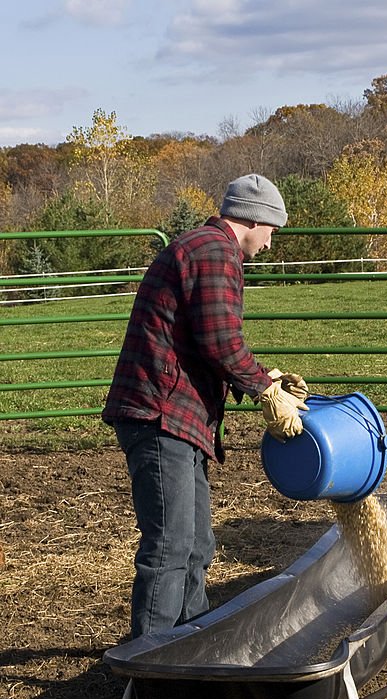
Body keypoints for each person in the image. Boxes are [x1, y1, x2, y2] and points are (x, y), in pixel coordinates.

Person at [103, 173, 308, 639]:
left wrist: (263, 377)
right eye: (272, 230)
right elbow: (220, 340)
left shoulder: (203, 248)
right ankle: (150, 671)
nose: (271, 244)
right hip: (161, 414)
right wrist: (263, 390)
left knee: (196, 545)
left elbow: (204, 339)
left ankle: (189, 650)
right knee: (171, 545)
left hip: (174, 414)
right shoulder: (215, 252)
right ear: (254, 218)